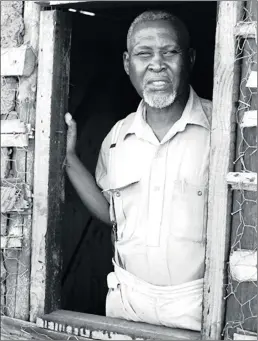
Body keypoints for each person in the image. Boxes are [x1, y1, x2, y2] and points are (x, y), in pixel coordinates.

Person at [65, 10, 212, 331]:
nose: (156, 64)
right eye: (144, 53)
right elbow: (113, 214)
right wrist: (70, 158)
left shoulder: (221, 130)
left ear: (190, 58)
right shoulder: (117, 139)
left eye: (169, 52)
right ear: (126, 62)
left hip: (201, 307)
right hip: (127, 305)